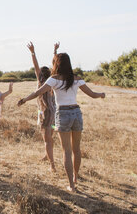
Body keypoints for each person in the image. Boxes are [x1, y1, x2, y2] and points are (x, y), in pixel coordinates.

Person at [18, 53, 105, 191]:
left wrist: (24, 100)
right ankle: (76, 177)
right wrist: (101, 95)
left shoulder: (54, 79)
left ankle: (71, 185)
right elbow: (93, 94)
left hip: (63, 114)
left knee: (67, 151)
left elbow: (37, 92)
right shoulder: (77, 79)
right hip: (77, 113)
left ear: (56, 64)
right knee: (76, 149)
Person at [27, 41, 59, 172]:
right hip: (54, 114)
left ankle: (52, 165)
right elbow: (55, 65)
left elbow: (35, 66)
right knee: (49, 136)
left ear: (40, 75)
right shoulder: (53, 81)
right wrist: (55, 51)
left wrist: (33, 52)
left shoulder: (41, 83)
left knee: (47, 140)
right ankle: (47, 155)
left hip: (45, 113)